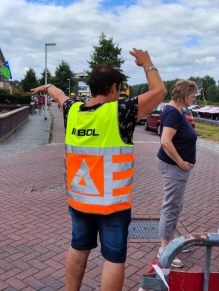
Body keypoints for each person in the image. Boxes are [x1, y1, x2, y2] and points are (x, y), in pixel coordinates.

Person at [31, 48, 166, 291]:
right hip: (112, 204)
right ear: (114, 88)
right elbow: (160, 92)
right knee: (114, 257)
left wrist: (47, 86)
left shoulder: (72, 111)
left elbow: (60, 95)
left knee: (78, 247)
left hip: (80, 201)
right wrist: (147, 63)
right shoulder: (120, 111)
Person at [156, 79, 198, 268]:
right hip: (174, 167)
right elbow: (165, 141)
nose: (194, 99)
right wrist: (181, 162)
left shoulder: (175, 110)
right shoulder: (173, 112)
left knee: (175, 205)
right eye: (193, 96)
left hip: (177, 167)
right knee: (171, 206)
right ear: (184, 97)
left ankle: (170, 242)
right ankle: (165, 249)